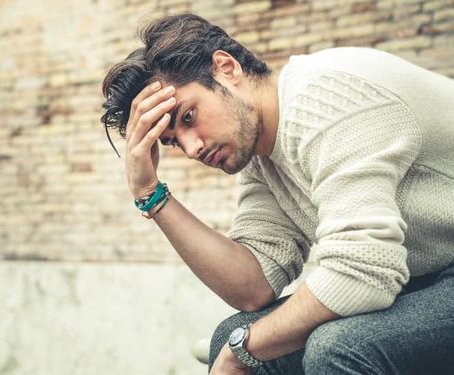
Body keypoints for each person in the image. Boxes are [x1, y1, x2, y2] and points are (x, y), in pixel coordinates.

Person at [100, 13, 454, 375]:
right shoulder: (263, 157)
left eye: (188, 116)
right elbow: (253, 287)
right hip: (426, 279)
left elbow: (364, 271)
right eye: (174, 142)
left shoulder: (324, 97)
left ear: (226, 68)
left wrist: (242, 351)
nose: (191, 149)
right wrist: (151, 193)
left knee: (336, 348)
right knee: (230, 335)